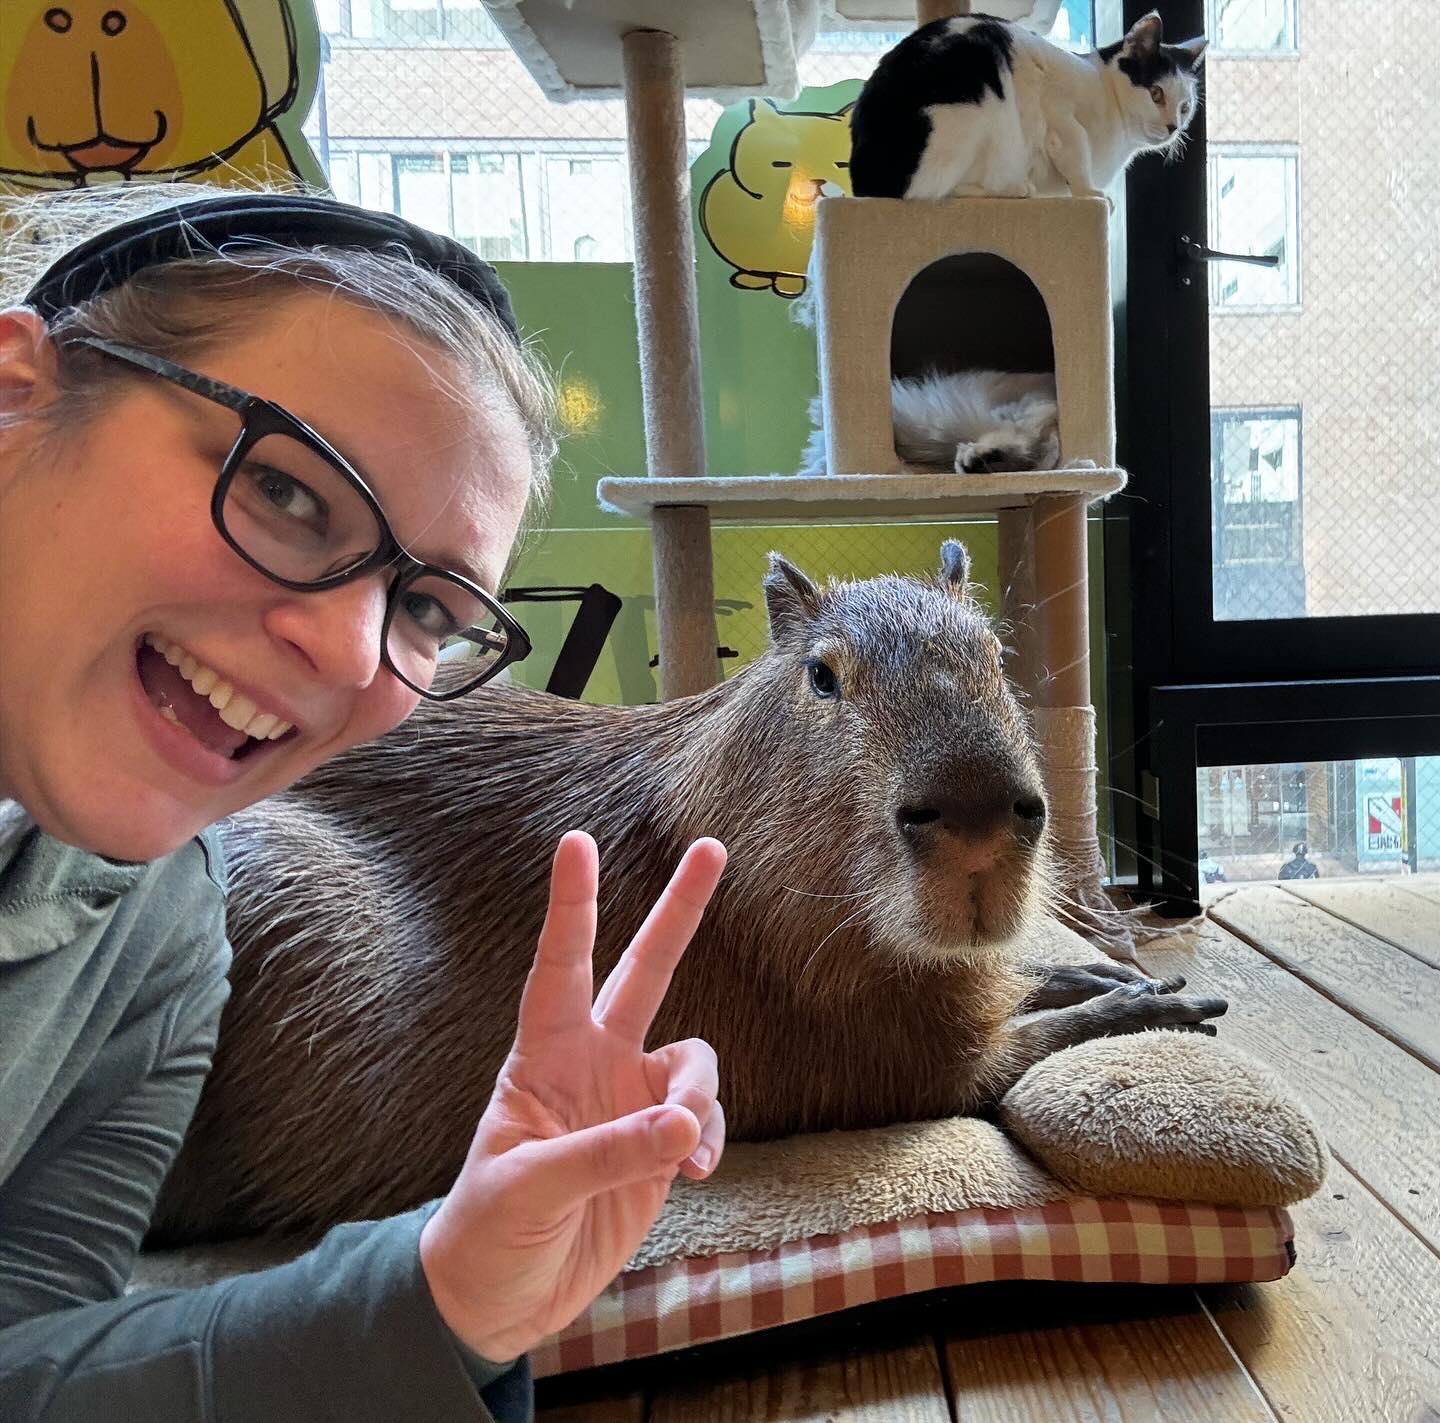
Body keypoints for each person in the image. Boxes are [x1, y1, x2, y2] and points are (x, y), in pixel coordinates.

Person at [0, 183, 728, 1421]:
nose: (350, 652)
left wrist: (444, 1299)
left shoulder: (159, 924)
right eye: (287, 491)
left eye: (430, 609)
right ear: (19, 394)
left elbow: (24, 1351)